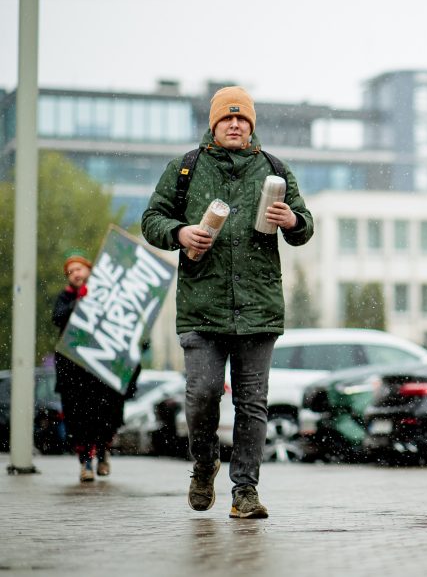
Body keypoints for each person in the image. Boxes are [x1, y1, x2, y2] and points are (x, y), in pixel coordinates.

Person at [141, 86, 314, 519]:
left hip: (258, 307)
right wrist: (179, 233)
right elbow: (151, 219)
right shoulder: (185, 169)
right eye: (227, 119)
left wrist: (291, 220)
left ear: (251, 125)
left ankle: (245, 491)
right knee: (201, 395)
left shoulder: (274, 169)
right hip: (202, 306)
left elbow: (305, 226)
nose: (235, 125)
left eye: (242, 119)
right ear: (214, 125)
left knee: (252, 403)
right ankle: (203, 465)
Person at [53, 249, 127, 482]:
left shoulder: (108, 295)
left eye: (78, 269)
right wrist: (79, 301)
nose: (75, 274)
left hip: (103, 368)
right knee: (78, 417)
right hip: (75, 370)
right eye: (70, 271)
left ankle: (103, 452)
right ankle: (85, 462)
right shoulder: (66, 298)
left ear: (89, 269)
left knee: (105, 414)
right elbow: (58, 317)